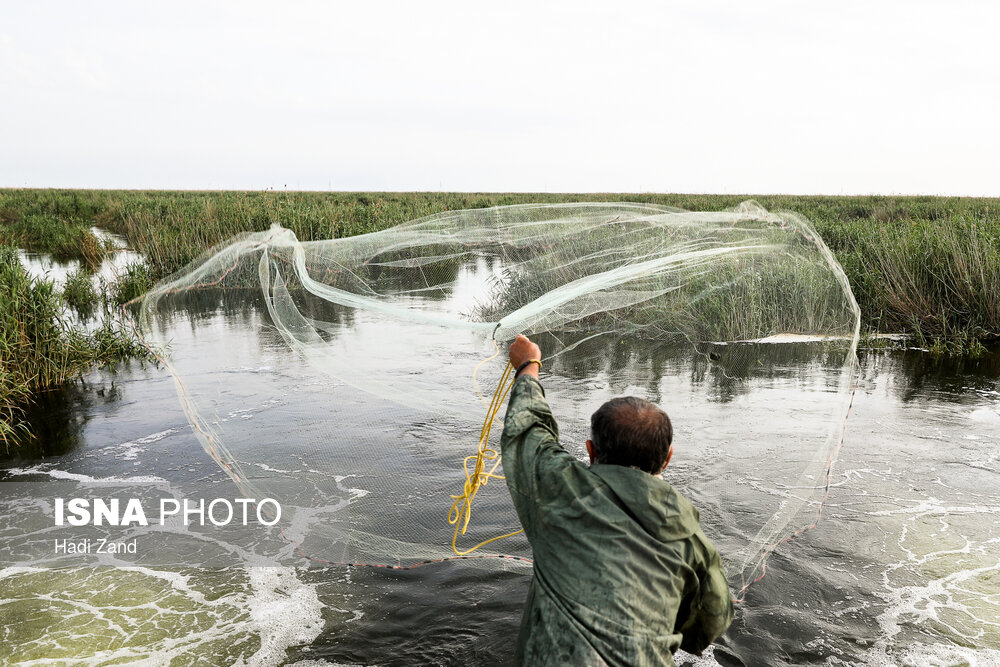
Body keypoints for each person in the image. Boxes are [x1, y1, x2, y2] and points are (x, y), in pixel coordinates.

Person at [501, 334, 733, 666]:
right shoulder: (694, 545)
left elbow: (527, 429)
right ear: (667, 459)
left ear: (591, 451)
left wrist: (528, 363)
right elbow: (709, 627)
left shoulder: (559, 488)